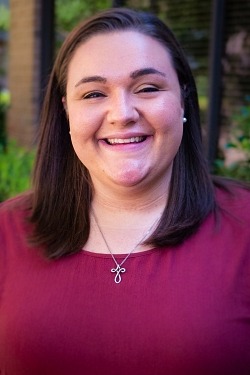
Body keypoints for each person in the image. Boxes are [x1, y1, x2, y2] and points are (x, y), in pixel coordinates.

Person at [0, 7, 249, 375]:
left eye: (147, 88)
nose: (122, 113)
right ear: (66, 110)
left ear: (182, 98)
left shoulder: (243, 226)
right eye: (94, 93)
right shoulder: (6, 232)